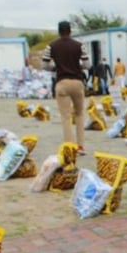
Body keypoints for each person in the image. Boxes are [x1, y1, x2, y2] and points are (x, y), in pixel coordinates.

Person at [42, 20, 91, 155]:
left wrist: (56, 67)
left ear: (59, 31)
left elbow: (44, 65)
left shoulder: (51, 46)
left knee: (66, 116)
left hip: (62, 83)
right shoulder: (79, 45)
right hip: (77, 82)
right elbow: (87, 65)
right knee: (80, 114)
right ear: (70, 31)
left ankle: (69, 147)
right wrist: (77, 66)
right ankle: (81, 146)